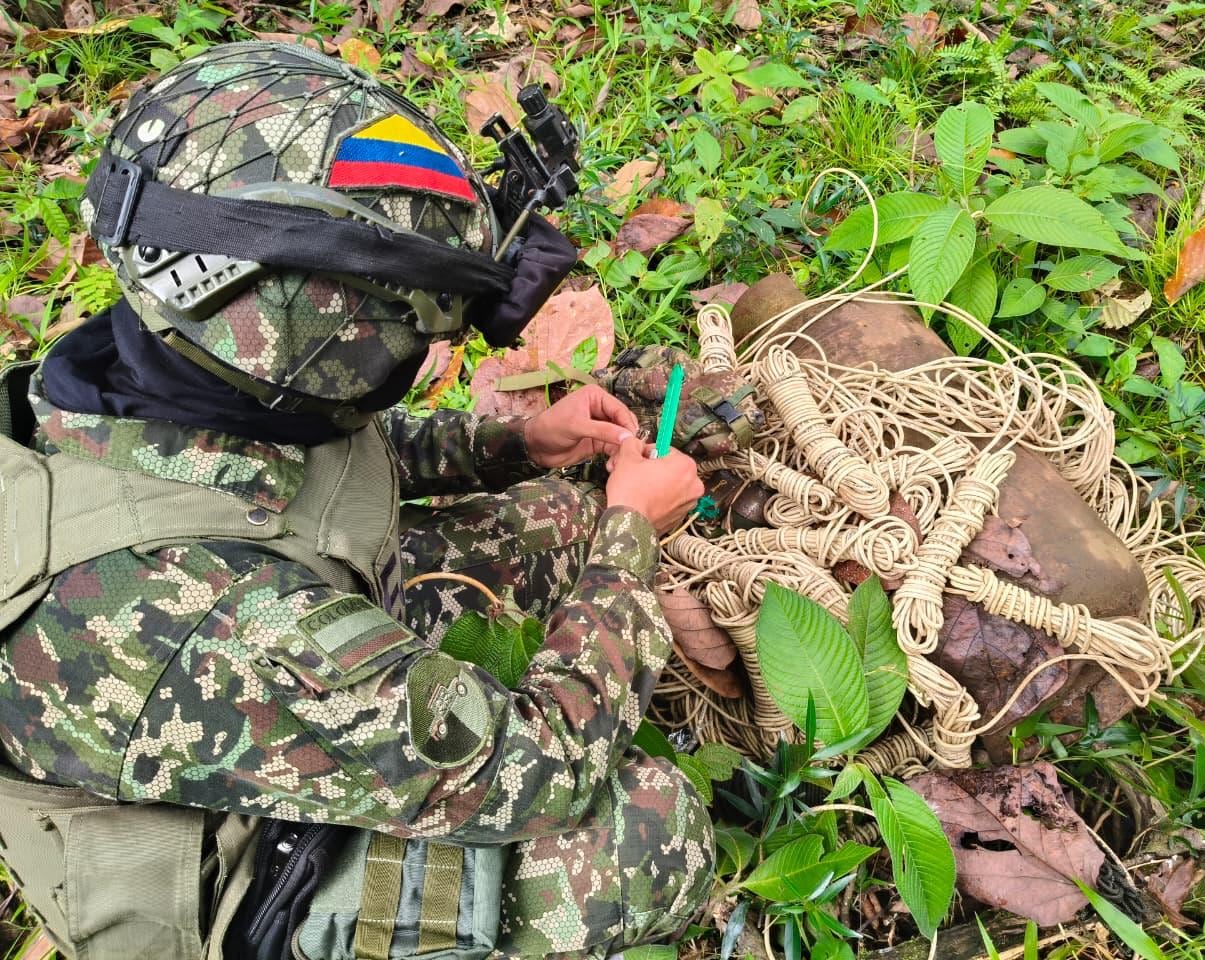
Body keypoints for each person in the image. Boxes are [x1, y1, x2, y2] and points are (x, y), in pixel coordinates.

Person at [0, 41, 757, 960]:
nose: (418, 353)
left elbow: (287, 464)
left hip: (237, 642)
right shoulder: (228, 627)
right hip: (232, 870)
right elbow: (543, 769)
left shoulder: (143, 369)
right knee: (649, 828)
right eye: (412, 330)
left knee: (557, 518)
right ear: (297, 330)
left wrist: (516, 442)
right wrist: (632, 538)